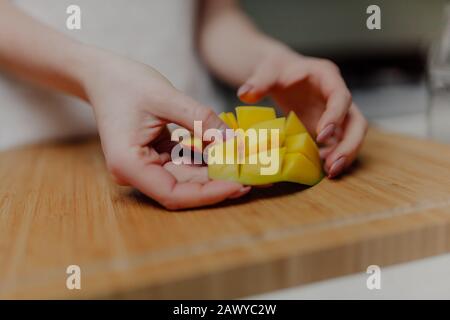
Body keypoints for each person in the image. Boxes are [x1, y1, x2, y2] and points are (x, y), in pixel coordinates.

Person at [0, 0, 368, 210]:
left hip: (187, 146)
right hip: (30, 164)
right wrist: (92, 74)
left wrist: (270, 62)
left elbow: (211, 15)